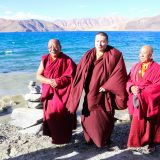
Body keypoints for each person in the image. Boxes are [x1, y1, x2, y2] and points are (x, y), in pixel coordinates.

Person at [66, 32, 128, 148]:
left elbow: (120, 73)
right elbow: (80, 69)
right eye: (97, 41)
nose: (100, 44)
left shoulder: (115, 54)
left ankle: (104, 138)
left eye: (103, 41)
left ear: (107, 42)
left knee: (106, 113)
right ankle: (89, 137)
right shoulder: (89, 54)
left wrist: (107, 86)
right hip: (90, 89)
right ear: (94, 42)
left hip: (105, 91)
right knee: (87, 111)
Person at [36, 39, 76, 144]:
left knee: (63, 114)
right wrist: (50, 81)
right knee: (51, 116)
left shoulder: (67, 60)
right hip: (49, 93)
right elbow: (38, 75)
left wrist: (58, 81)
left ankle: (65, 138)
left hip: (63, 93)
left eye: (55, 46)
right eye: (50, 47)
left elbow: (73, 77)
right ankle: (54, 137)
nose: (52, 49)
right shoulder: (45, 59)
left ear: (60, 47)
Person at [126, 45, 160, 153]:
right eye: (140, 52)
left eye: (144, 53)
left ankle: (150, 143)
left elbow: (158, 86)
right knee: (136, 122)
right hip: (136, 99)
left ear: (151, 55)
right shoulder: (135, 66)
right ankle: (136, 143)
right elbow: (128, 80)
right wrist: (131, 87)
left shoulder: (157, 68)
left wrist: (142, 92)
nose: (141, 55)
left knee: (150, 123)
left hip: (148, 100)